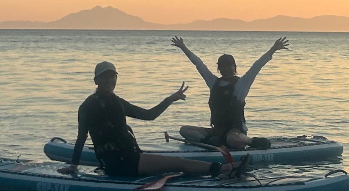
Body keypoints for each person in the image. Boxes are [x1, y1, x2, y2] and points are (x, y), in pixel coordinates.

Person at [59, 61, 249, 179]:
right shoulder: (88, 106)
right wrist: (74, 165)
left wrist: (170, 99)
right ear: (96, 81)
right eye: (105, 77)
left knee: (173, 165)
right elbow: (81, 137)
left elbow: (149, 115)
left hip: (124, 160)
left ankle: (224, 169)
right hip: (124, 162)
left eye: (113, 77)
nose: (110, 81)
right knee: (179, 163)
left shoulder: (116, 102)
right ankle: (226, 169)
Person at [170, 35, 290, 150]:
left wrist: (273, 49)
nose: (226, 69)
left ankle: (252, 141)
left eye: (229, 66)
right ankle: (209, 141)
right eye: (223, 67)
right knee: (184, 130)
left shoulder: (242, 84)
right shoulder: (213, 83)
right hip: (217, 131)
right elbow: (199, 64)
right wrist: (183, 47)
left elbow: (256, 66)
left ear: (234, 67)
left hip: (235, 131)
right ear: (219, 69)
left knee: (233, 140)